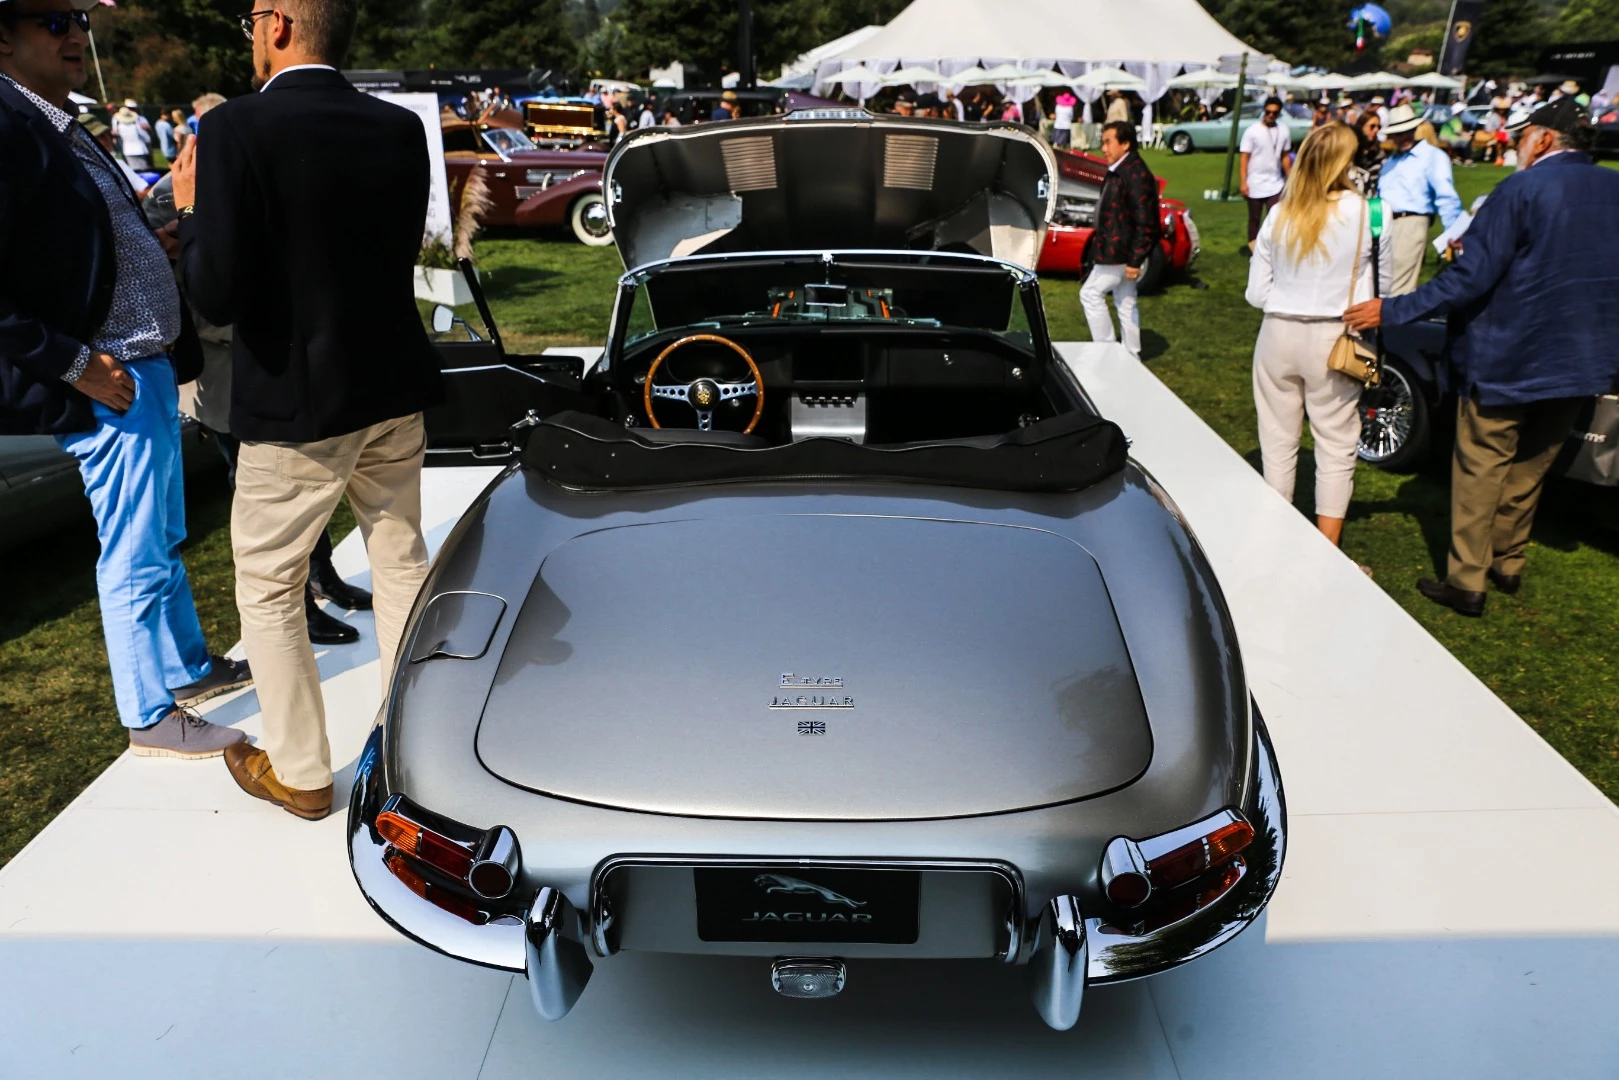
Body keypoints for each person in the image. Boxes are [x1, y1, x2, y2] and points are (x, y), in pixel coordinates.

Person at [172, 0, 444, 819]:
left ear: (280, 24)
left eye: (251, 19)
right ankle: (412, 747)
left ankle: (300, 772)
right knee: (400, 562)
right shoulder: (398, 127)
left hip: (298, 399)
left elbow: (216, 293)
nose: (250, 34)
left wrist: (189, 211)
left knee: (267, 583)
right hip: (391, 382)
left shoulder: (236, 128)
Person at [0, 0, 251, 758]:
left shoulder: (55, 121)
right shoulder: (9, 125)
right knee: (135, 549)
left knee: (162, 535)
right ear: (3, 36)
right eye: (53, 20)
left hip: (139, 367)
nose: (76, 33)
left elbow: (70, 242)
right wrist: (78, 365)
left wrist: (148, 238)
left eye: (79, 18)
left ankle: (185, 669)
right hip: (110, 378)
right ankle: (148, 715)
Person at [1345, 98, 1619, 617]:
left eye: (1523, 136)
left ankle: (1467, 579)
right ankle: (1508, 560)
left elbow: (1470, 278)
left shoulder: (1521, 189)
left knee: (1482, 466)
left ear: (1543, 138)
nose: (1515, 144)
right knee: (1533, 465)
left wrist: (1393, 309)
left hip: (1508, 354)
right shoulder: (1612, 187)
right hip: (1580, 359)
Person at [1247, 123, 1391, 553]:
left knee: (1277, 440)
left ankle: (1275, 539)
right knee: (1336, 444)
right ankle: (1327, 552)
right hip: (1336, 335)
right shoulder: (1371, 212)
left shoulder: (1280, 213)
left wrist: (1291, 296)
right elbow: (1385, 288)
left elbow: (1256, 293)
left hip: (1278, 332)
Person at [1080, 120, 1160, 358]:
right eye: (1102, 142)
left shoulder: (1134, 174)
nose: (1103, 148)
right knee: (1125, 300)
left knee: (1090, 294)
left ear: (1125, 144)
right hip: (1118, 249)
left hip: (1118, 252)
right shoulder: (1122, 170)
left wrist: (1135, 260)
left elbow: (1147, 221)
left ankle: (1106, 350)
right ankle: (1131, 354)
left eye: (1108, 143)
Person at [1377, 103, 1463, 294]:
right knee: (1381, 283)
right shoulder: (1390, 162)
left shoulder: (1432, 156)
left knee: (1398, 286)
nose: (1402, 137)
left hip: (1410, 222)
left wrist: (1454, 232)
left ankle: (1393, 314)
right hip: (1382, 223)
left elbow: (1446, 196)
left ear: (1414, 130)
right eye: (1397, 134)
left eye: (1406, 132)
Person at [1240, 97, 1292, 251]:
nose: (1270, 115)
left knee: (1275, 218)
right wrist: (1243, 182)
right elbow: (1244, 158)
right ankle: (1253, 248)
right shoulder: (1252, 131)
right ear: (1264, 110)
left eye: (1274, 113)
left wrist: (1291, 179)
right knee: (1254, 218)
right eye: (1268, 112)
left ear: (1279, 113)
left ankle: (1273, 248)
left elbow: (1285, 156)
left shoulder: (1284, 130)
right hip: (1255, 182)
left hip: (1275, 182)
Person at [1350, 109, 1385, 194]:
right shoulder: (1351, 150)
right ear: (1361, 126)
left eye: (1378, 127)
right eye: (1372, 126)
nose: (1376, 130)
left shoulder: (1379, 153)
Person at [111, 96, 150, 170]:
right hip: (138, 149)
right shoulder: (136, 126)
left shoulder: (121, 127)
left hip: (127, 150)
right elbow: (147, 138)